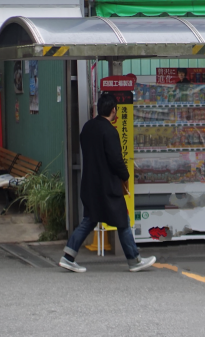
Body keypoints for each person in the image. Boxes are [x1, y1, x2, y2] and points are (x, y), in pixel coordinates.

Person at [58, 93, 155, 273]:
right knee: (122, 222)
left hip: (89, 185)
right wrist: (125, 175)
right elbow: (115, 160)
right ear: (113, 110)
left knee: (89, 220)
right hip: (108, 186)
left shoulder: (87, 128)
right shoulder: (110, 131)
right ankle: (134, 260)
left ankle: (68, 256)